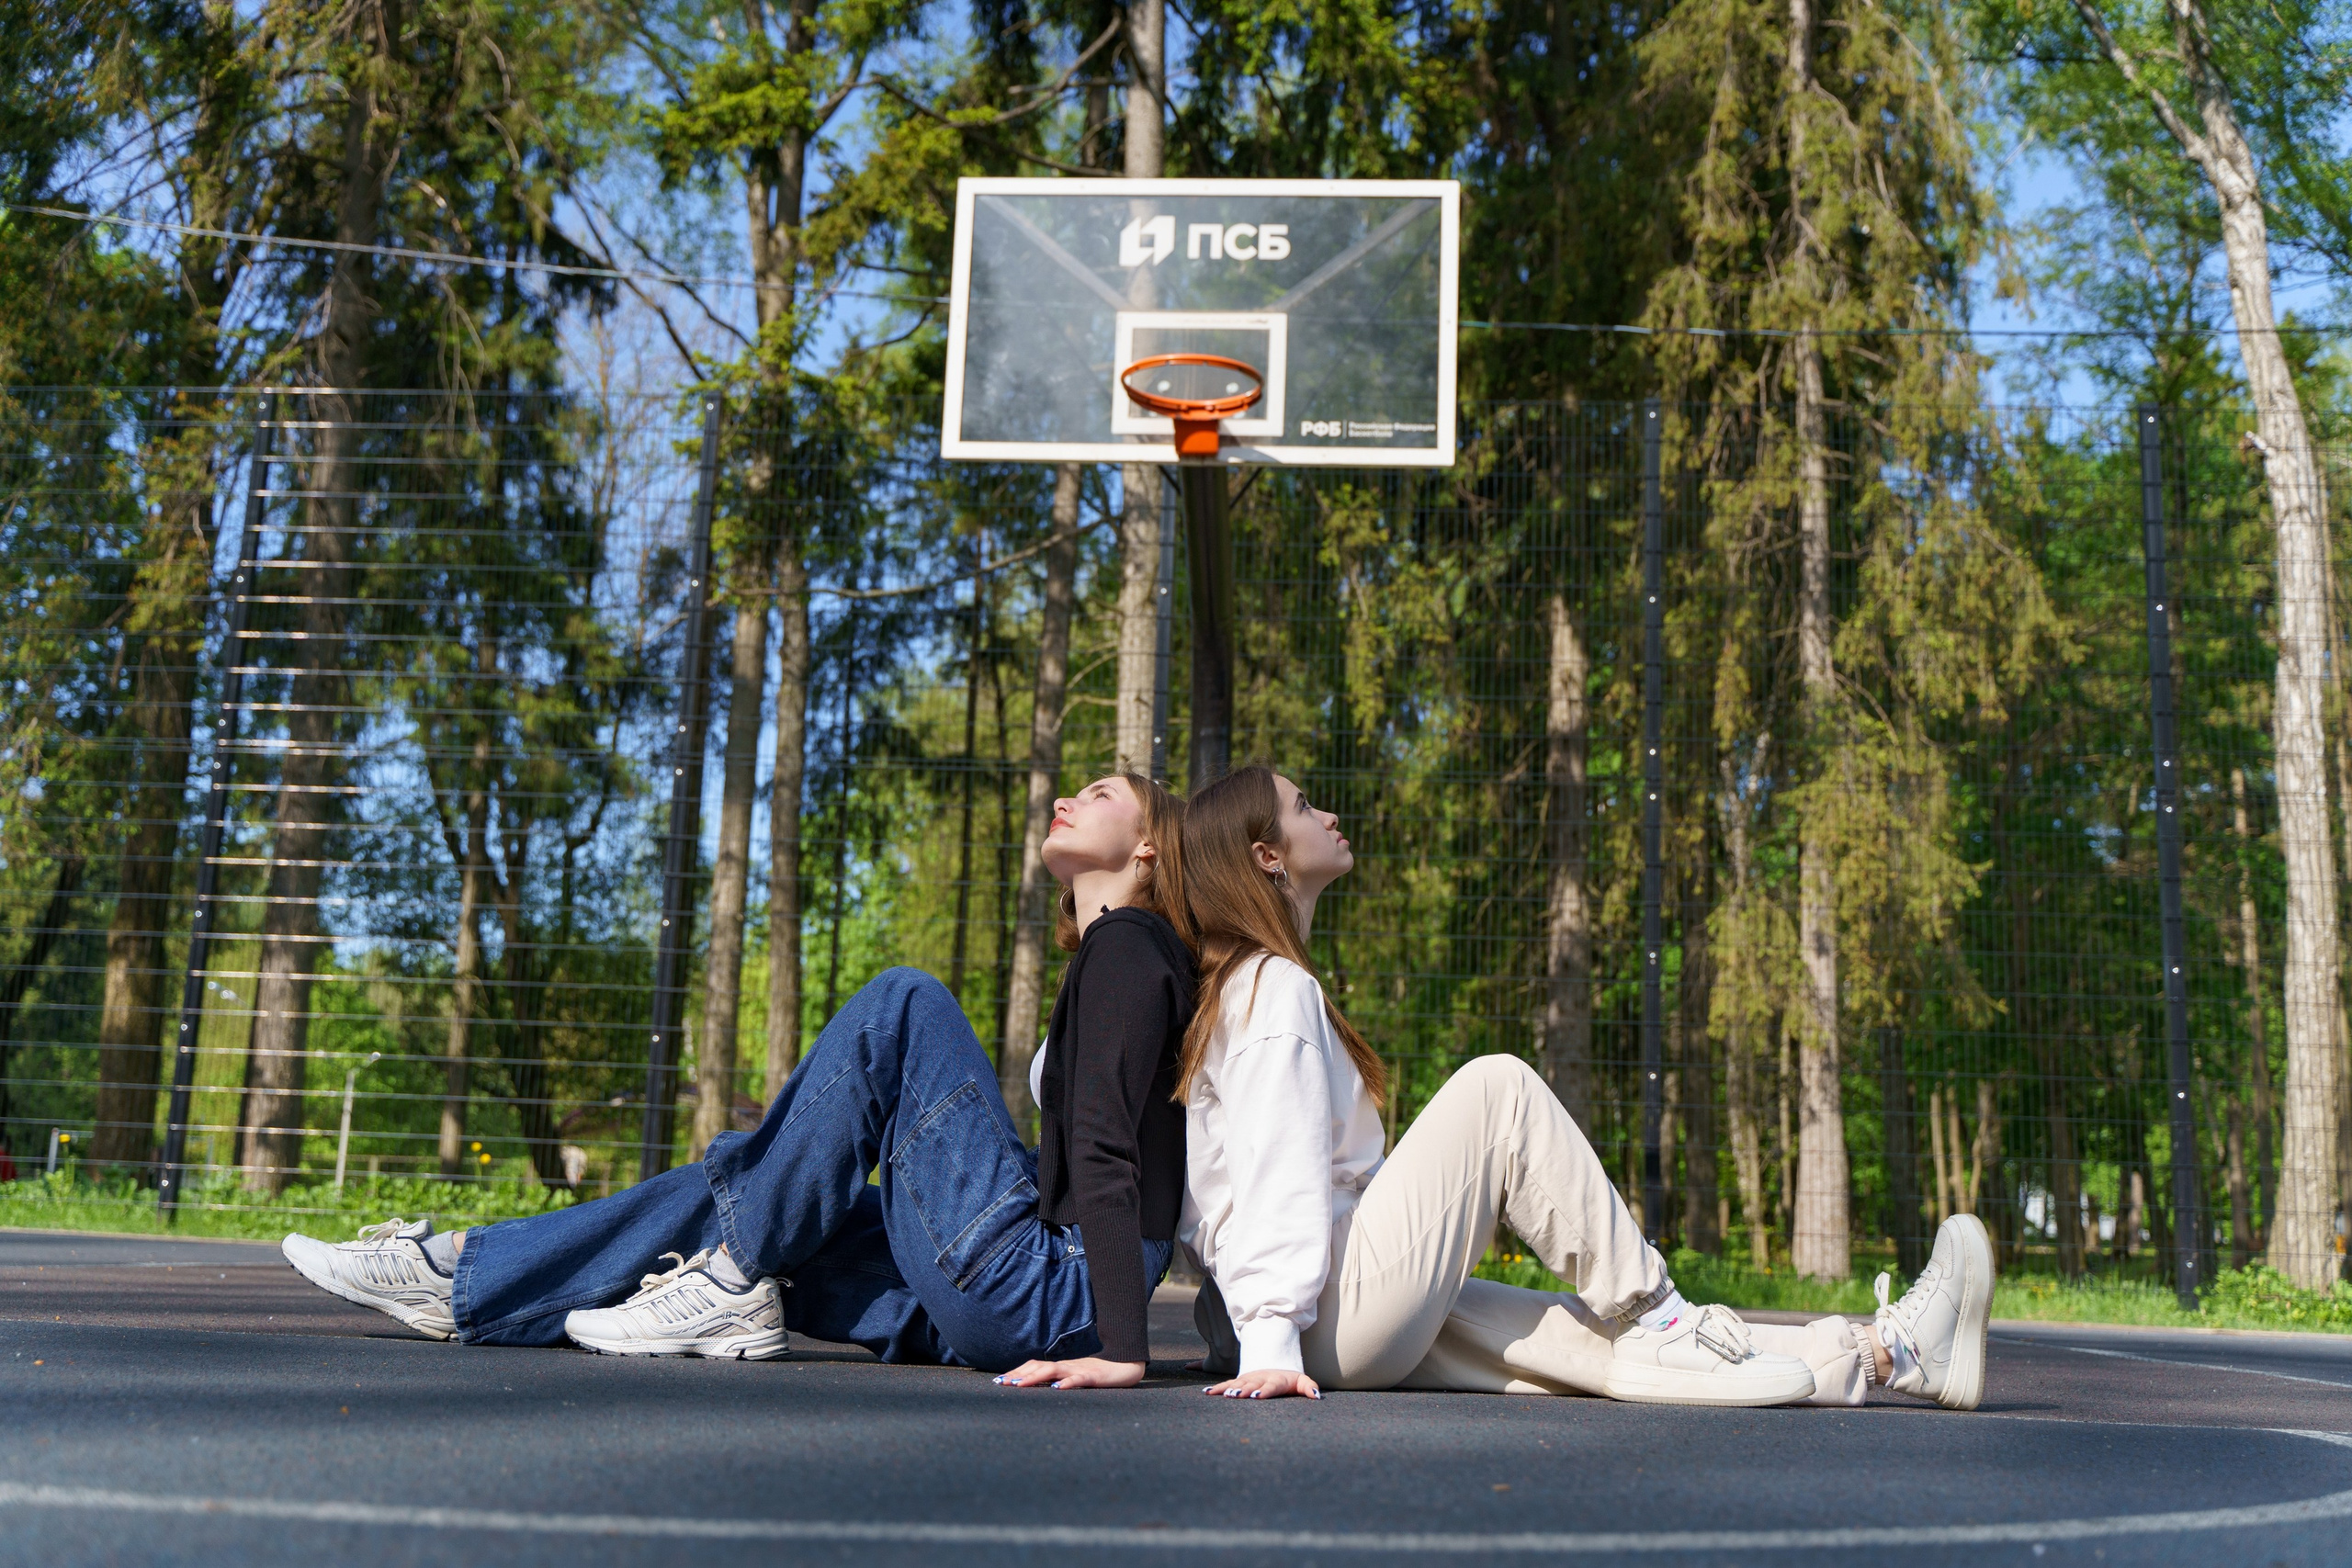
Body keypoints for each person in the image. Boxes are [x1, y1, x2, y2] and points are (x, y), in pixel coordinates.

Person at [283, 773, 1195, 1390]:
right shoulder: (1115, 957)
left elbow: (1111, 1146)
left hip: (1052, 1286)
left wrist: (1120, 1346)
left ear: (1149, 846)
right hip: (1031, 1298)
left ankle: (725, 1273)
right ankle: (465, 1279)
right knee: (748, 1205)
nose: (1068, 797)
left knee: (905, 1006)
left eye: (1102, 792)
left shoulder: (1129, 943)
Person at [1177, 764, 1993, 1408]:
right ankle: (1658, 1308)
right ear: (1267, 856)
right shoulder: (1271, 986)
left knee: (1588, 1342)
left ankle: (1891, 1353)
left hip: (1316, 1314)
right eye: (1305, 805)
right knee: (1496, 1091)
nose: (1328, 815)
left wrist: (1255, 1328)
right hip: (1319, 1309)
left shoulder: (1242, 989)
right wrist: (1274, 1337)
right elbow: (1276, 1175)